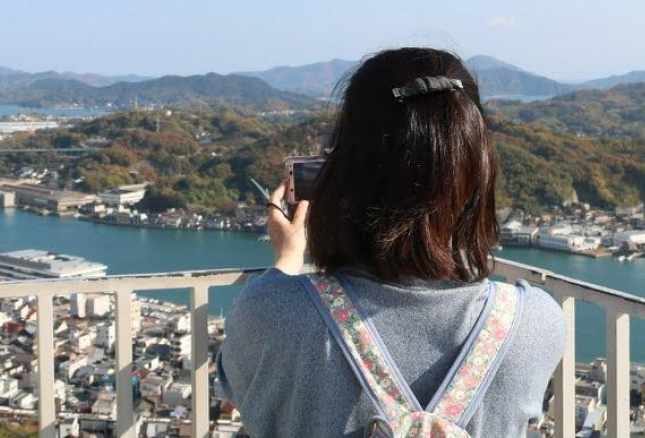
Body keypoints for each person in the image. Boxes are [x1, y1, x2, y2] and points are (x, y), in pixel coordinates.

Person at [216, 48, 566, 437]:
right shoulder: (534, 322)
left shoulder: (275, 310)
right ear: (479, 173)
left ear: (343, 171)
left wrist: (288, 259)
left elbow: (236, 386)